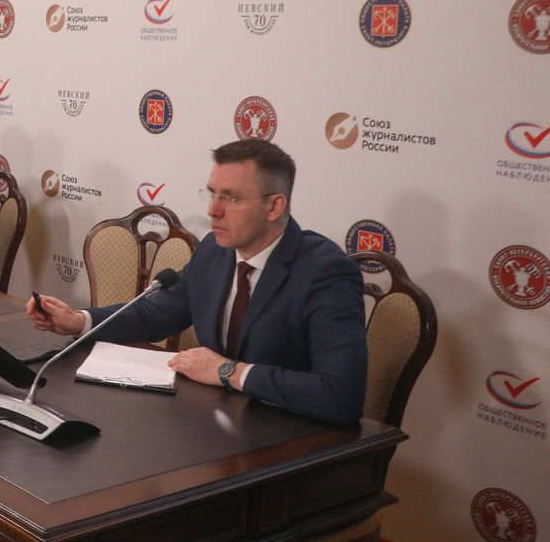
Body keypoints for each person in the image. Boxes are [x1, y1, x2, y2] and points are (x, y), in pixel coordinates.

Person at [27, 139, 368, 425]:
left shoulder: (325, 273)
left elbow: (340, 396)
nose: (213, 211)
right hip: (215, 422)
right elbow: (154, 315)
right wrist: (79, 321)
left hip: (287, 438)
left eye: (231, 198)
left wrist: (229, 372)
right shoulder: (215, 251)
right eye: (212, 194)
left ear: (274, 206)